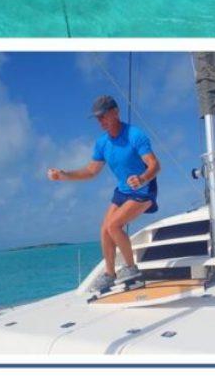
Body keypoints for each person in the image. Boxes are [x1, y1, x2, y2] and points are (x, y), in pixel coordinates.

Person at [47, 95, 161, 293]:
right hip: (123, 190)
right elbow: (91, 171)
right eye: (97, 118)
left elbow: (155, 165)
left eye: (103, 116)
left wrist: (142, 178)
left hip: (143, 188)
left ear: (115, 112)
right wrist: (64, 175)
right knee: (104, 229)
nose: (100, 121)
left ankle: (132, 270)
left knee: (114, 225)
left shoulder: (135, 135)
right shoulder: (102, 143)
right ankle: (110, 274)